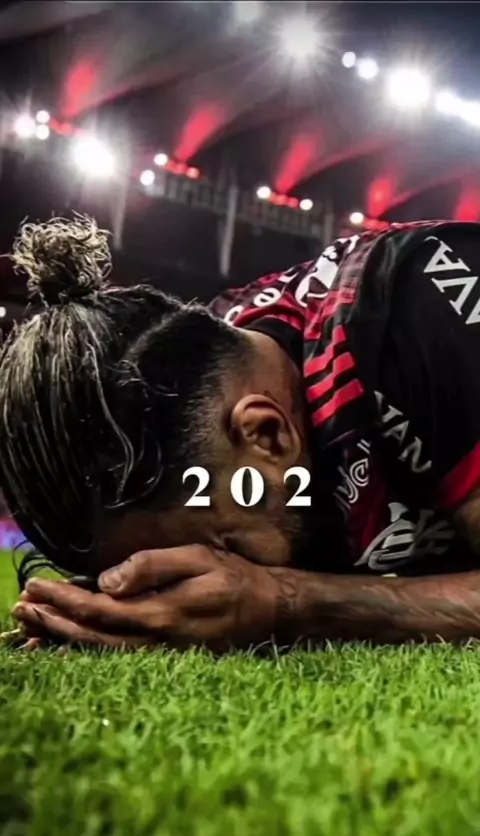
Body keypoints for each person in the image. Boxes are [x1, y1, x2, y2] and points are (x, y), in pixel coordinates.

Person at [5, 214, 480, 651]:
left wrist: (292, 603)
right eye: (172, 576)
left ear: (266, 435)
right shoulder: (212, 374)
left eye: (225, 548)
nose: (213, 576)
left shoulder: (430, 331)